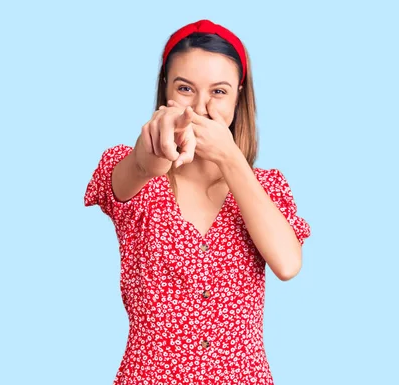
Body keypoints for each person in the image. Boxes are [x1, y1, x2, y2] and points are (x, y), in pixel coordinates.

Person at [84, 19, 311, 385]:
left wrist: (230, 159)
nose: (202, 108)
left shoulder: (265, 188)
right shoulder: (134, 174)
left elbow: (287, 264)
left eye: (219, 92)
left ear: (239, 96)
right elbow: (142, 165)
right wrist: (154, 152)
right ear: (165, 91)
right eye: (186, 88)